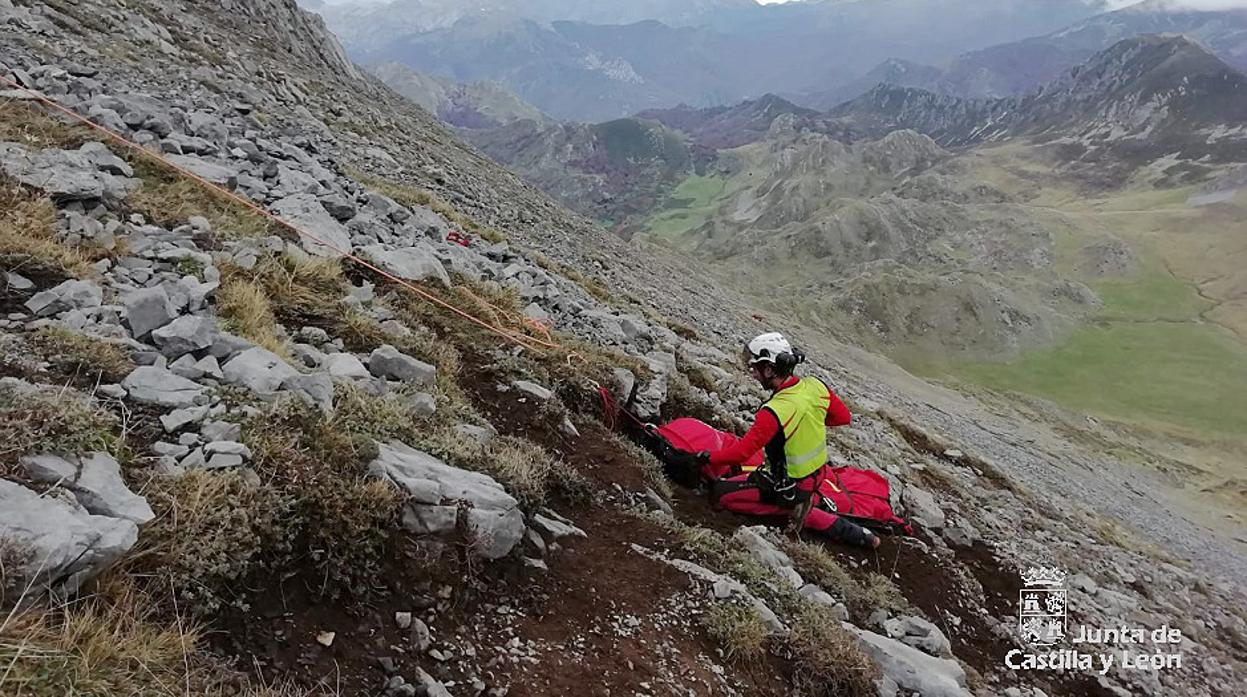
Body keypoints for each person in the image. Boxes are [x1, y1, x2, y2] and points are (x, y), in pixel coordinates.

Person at [691, 332, 881, 548]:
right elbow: (843, 417)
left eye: (756, 369)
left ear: (770, 370)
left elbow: (741, 453)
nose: (753, 374)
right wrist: (810, 420)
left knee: (722, 495)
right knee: (738, 484)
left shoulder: (774, 411)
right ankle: (820, 512)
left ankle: (811, 515)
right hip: (817, 475)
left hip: (789, 487)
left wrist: (707, 457)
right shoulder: (815, 386)